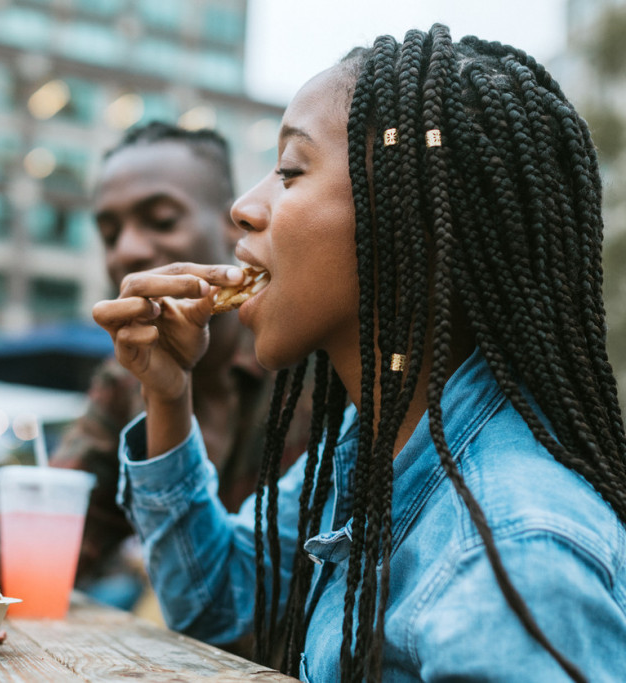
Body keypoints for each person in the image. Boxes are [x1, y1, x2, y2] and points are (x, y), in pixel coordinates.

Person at [93, 25, 626, 682]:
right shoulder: (377, 442)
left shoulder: (514, 550)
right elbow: (219, 599)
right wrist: (169, 395)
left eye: (289, 171)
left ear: (410, 223)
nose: (244, 206)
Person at [0, 123, 309, 603]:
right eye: (109, 234)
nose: (127, 249)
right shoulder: (127, 380)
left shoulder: (306, 361)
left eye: (162, 220)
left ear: (232, 222)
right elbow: (54, 508)